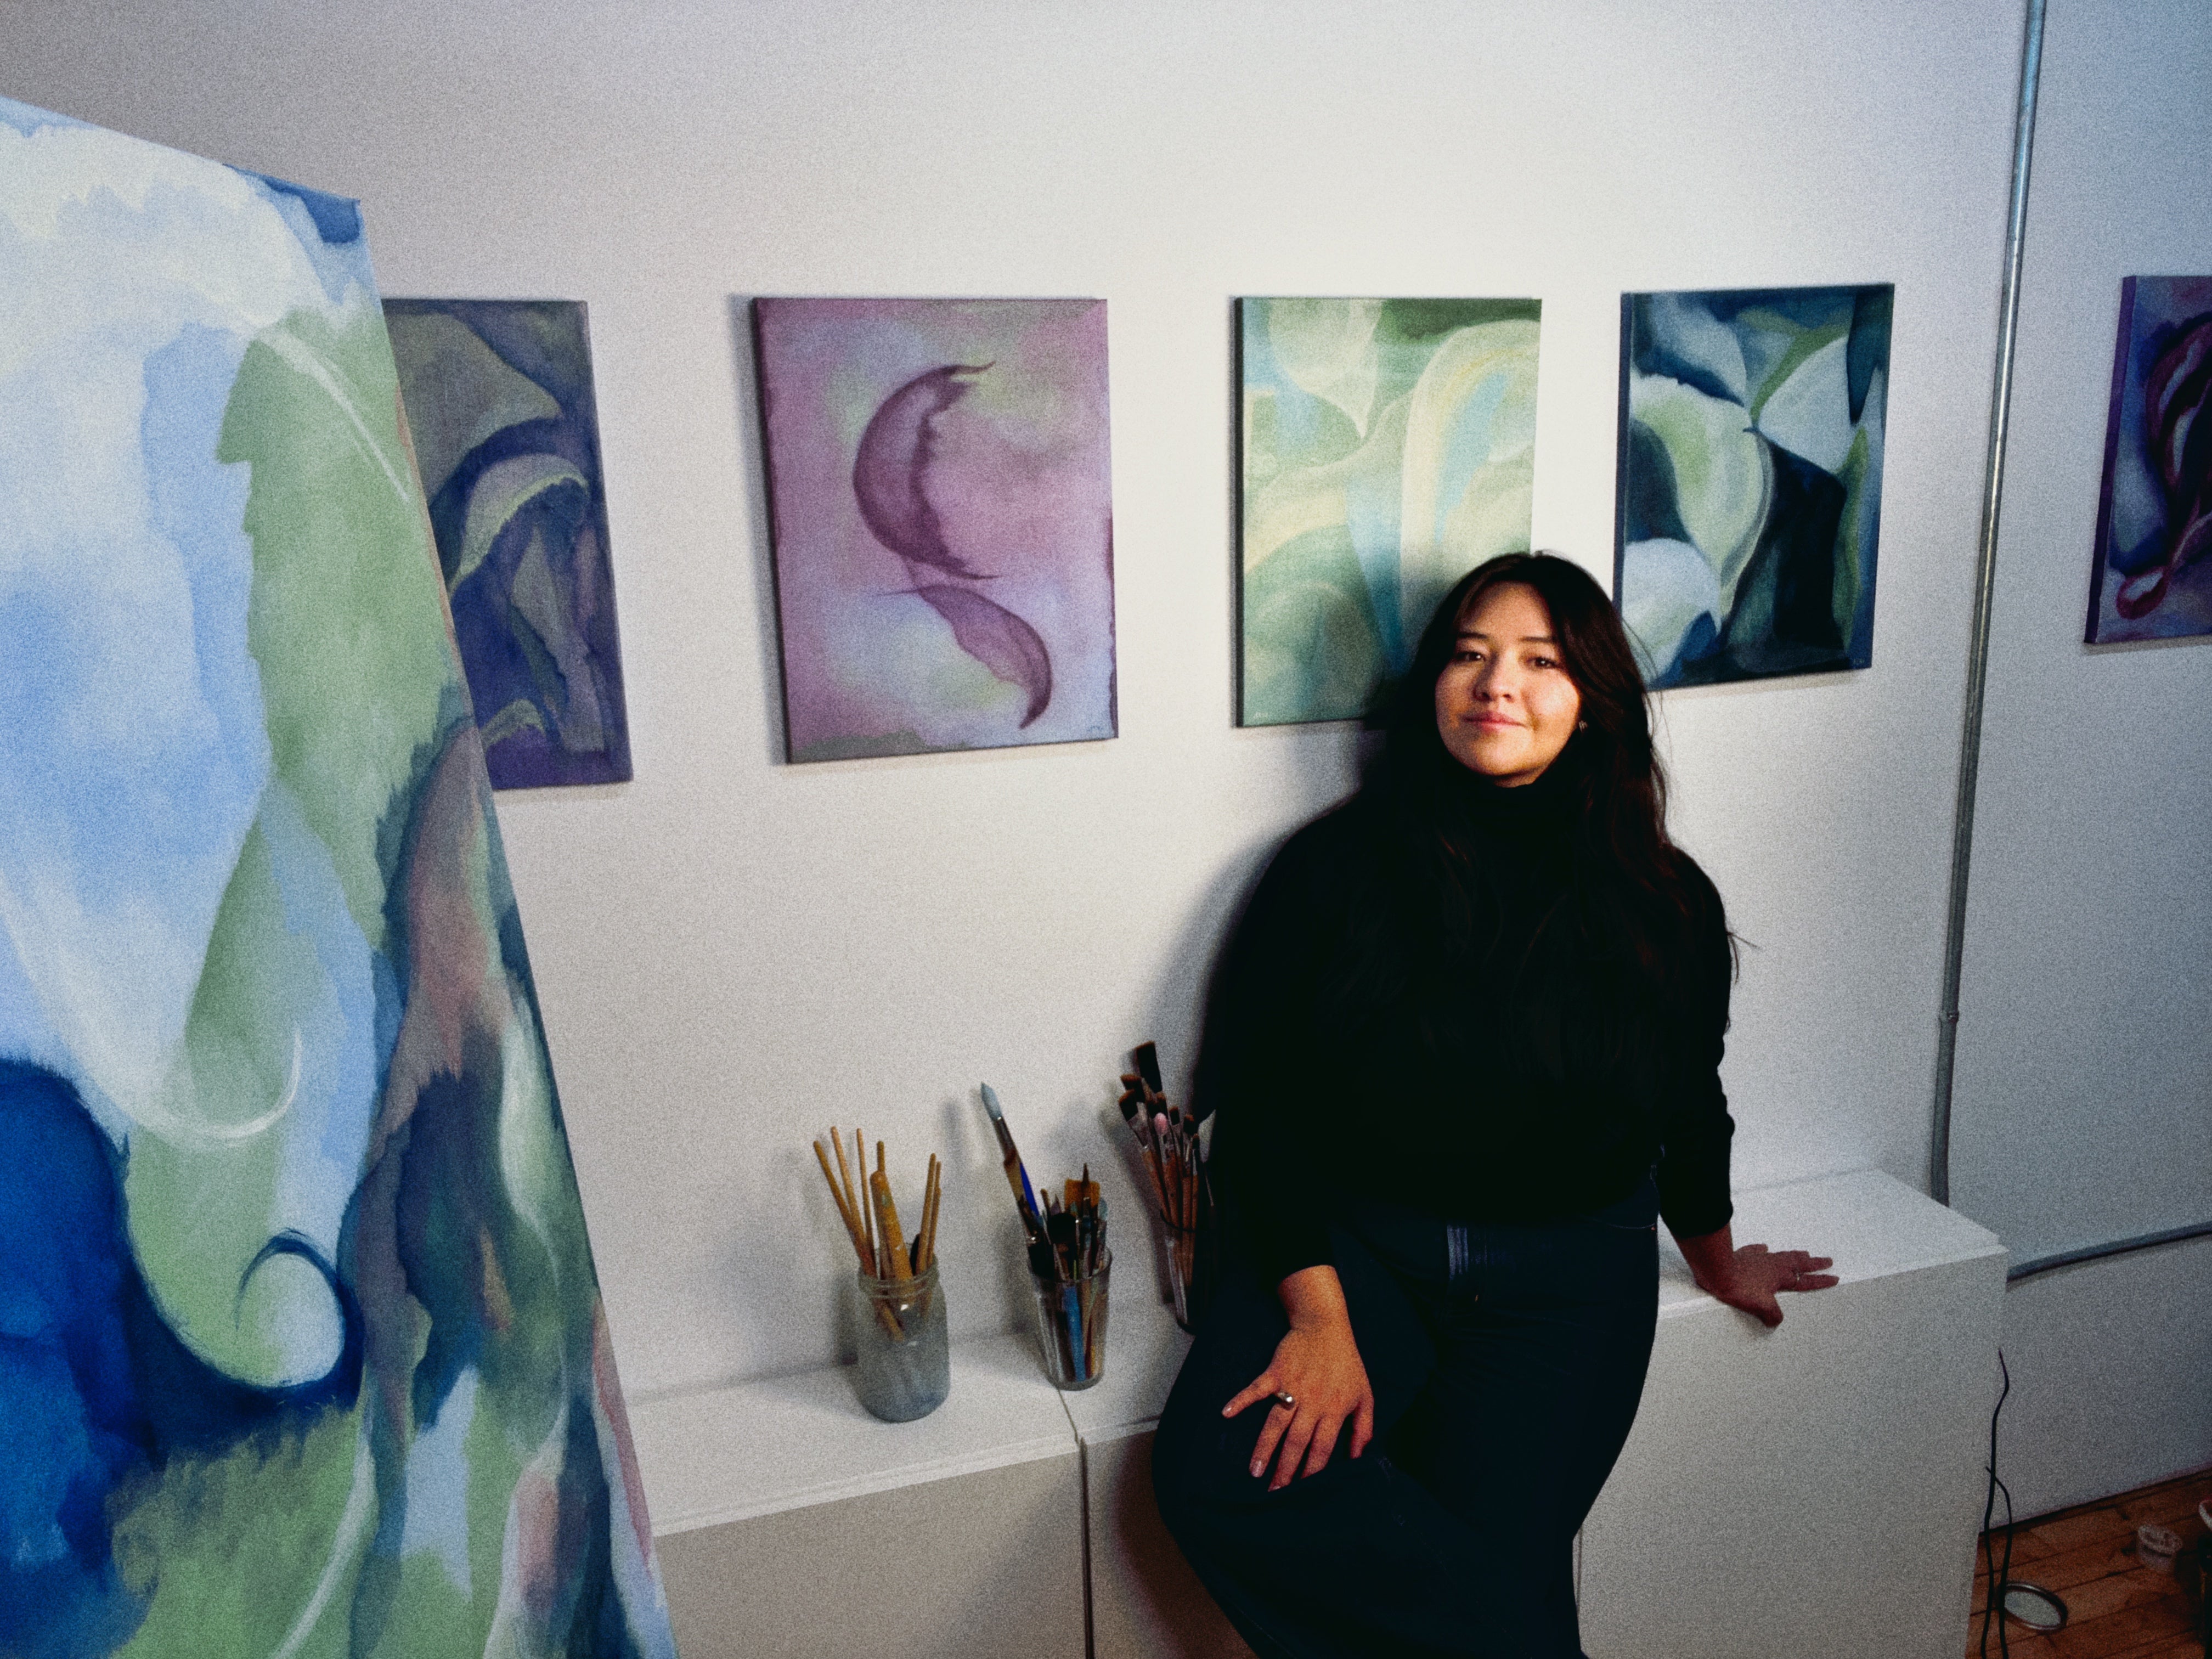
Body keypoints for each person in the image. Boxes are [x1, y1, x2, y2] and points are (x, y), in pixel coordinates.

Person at [1152, 552, 1836, 1658]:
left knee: (1493, 1559)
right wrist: (1319, 1313)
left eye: (1538, 661)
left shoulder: (1666, 901)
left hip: (1568, 1286)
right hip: (1364, 1255)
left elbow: (1687, 1104)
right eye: (1468, 656)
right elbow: (1263, 1110)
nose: (1495, 685)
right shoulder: (1336, 871)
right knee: (1219, 1475)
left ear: (1593, 700)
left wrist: (1714, 1260)